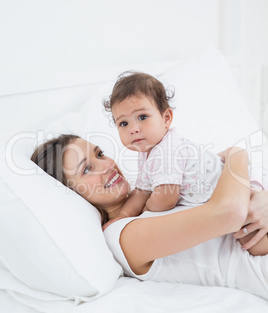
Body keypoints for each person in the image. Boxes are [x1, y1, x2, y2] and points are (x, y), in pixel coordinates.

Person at [31, 134, 268, 301]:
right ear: (72, 194)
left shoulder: (159, 189)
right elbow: (229, 212)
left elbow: (215, 170)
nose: (106, 166)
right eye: (87, 169)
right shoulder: (121, 236)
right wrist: (239, 153)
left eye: (100, 154)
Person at [103, 72, 268, 233]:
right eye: (124, 123)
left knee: (251, 239)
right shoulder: (147, 152)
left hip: (240, 192)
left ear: (166, 118)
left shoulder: (166, 151)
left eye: (142, 117)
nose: (133, 129)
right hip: (227, 199)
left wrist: (143, 214)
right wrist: (123, 216)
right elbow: (141, 191)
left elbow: (166, 199)